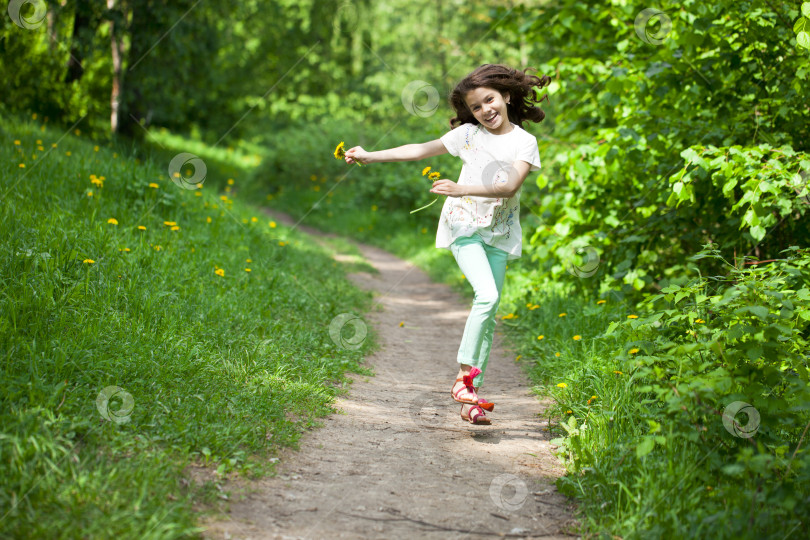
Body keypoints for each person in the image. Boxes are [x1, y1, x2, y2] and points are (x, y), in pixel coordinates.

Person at [344, 64, 551, 425]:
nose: (485, 110)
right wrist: (369, 154)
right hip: (464, 225)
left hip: (499, 233)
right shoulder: (469, 135)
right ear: (469, 113)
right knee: (486, 296)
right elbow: (419, 149)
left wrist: (460, 187)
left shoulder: (524, 142)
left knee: (489, 311)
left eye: (489, 100)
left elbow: (509, 187)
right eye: (475, 107)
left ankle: (470, 397)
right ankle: (464, 381)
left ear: (505, 96)